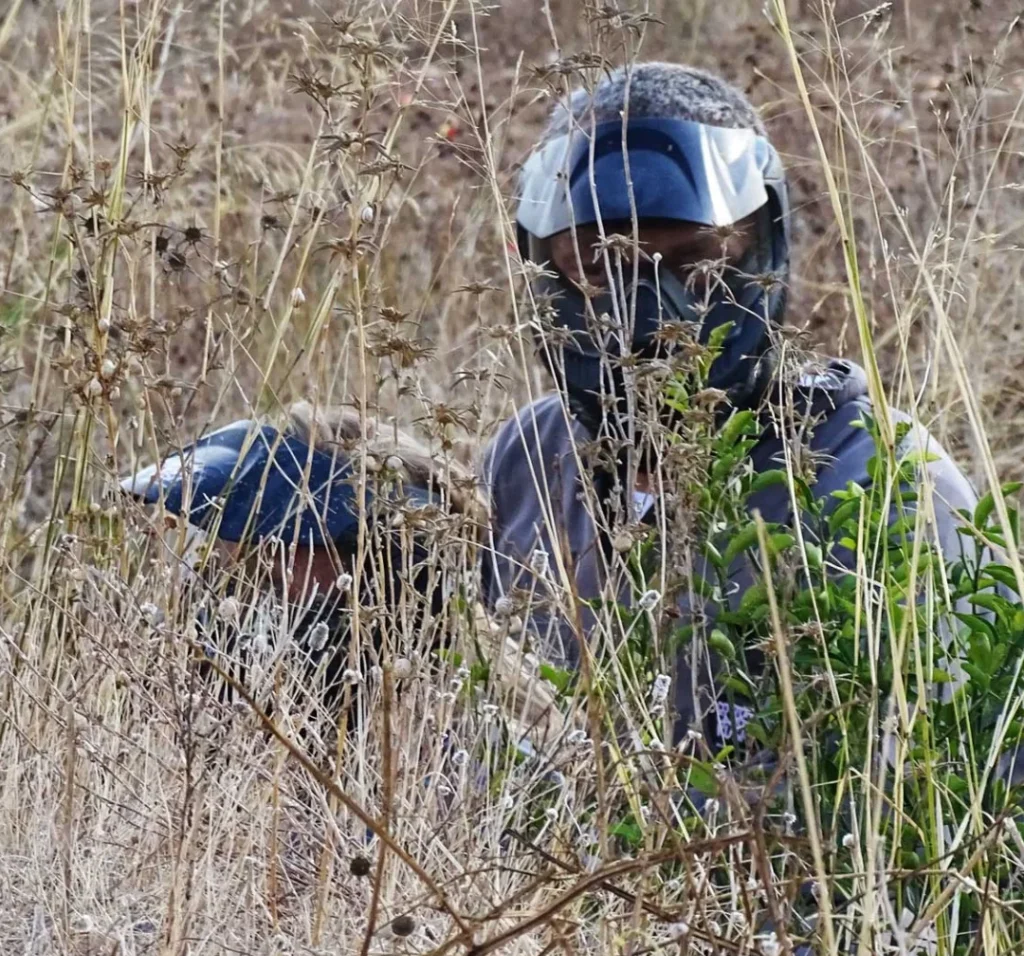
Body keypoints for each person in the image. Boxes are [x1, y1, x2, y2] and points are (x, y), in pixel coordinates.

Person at [480, 63, 983, 765]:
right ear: (549, 272)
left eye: (697, 267)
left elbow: (916, 810)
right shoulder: (528, 458)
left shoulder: (884, 487)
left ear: (762, 256)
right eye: (599, 268)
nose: (649, 319)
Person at [120, 402, 564, 741]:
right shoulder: (223, 674)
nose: (261, 575)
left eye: (286, 550)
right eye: (252, 557)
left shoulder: (471, 728)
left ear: (379, 561)